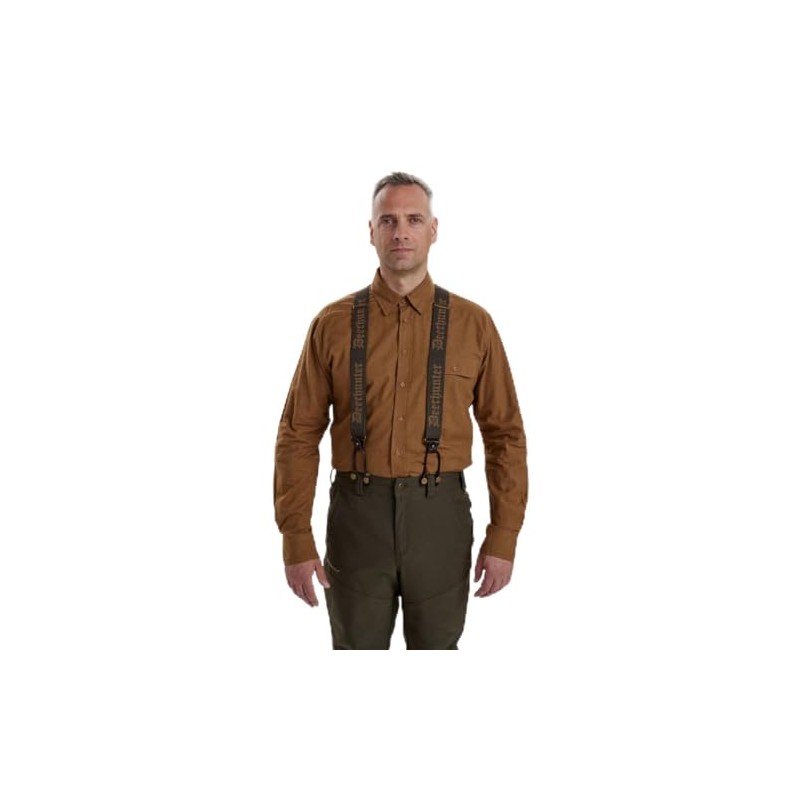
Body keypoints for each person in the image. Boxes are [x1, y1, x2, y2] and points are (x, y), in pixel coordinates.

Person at [274, 171, 528, 649]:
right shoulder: (331, 324)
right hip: (356, 517)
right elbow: (298, 434)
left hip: (441, 518)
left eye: (414, 219)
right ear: (371, 231)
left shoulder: (474, 324)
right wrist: (296, 537)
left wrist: (504, 535)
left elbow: (505, 435)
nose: (401, 232)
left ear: (434, 230)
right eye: (388, 220)